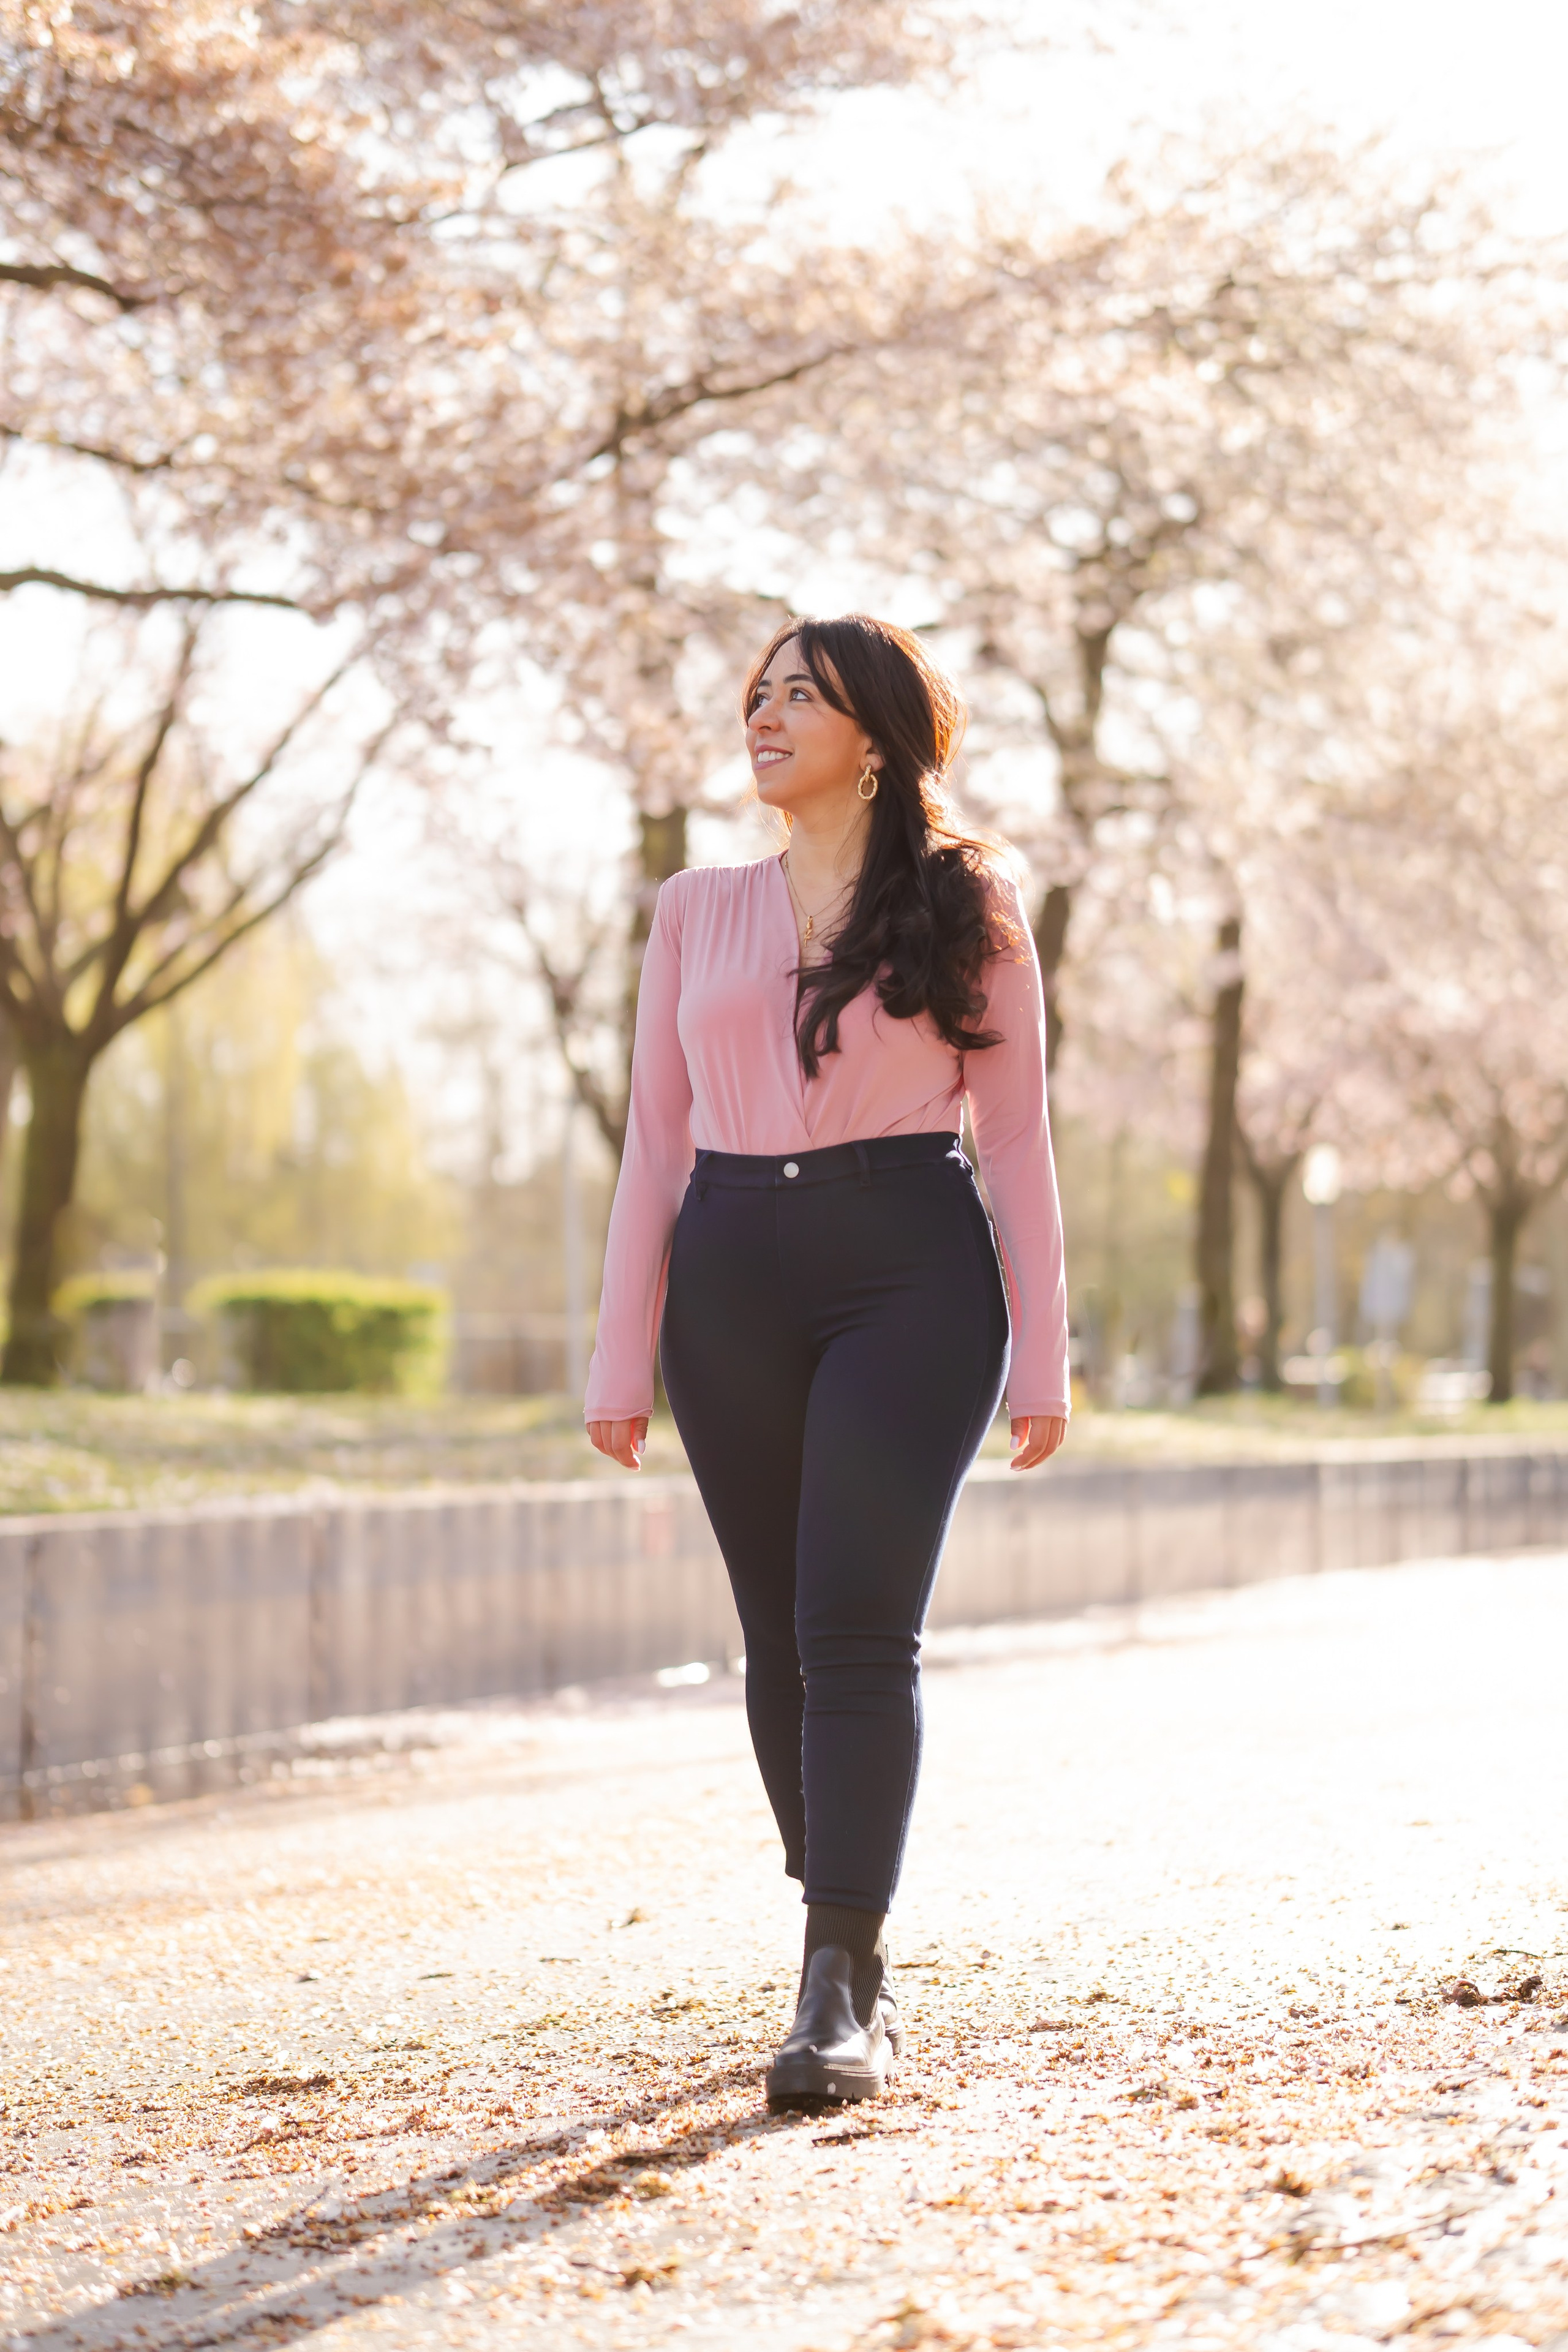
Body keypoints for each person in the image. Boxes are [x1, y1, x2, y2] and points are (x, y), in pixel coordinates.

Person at [585, 613, 1069, 2109]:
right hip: (729, 1270)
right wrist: (618, 1354)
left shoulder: (965, 908)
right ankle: (842, 1898)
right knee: (778, 1640)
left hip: (909, 1270)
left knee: (856, 1627)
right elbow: (655, 1139)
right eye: (758, 696)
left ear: (874, 737)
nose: (768, 716)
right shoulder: (691, 910)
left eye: (803, 696)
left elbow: (1021, 1145)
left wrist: (1042, 1356)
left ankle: (836, 1985)